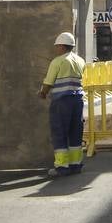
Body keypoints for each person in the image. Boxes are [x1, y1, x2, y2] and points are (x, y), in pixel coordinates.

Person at [39, 31, 86, 178]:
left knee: (59, 133)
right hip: (77, 101)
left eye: (57, 46)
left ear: (61, 46)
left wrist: (42, 93)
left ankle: (62, 167)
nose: (56, 49)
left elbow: (48, 82)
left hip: (62, 102)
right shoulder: (80, 61)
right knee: (75, 132)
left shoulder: (58, 61)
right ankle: (75, 164)